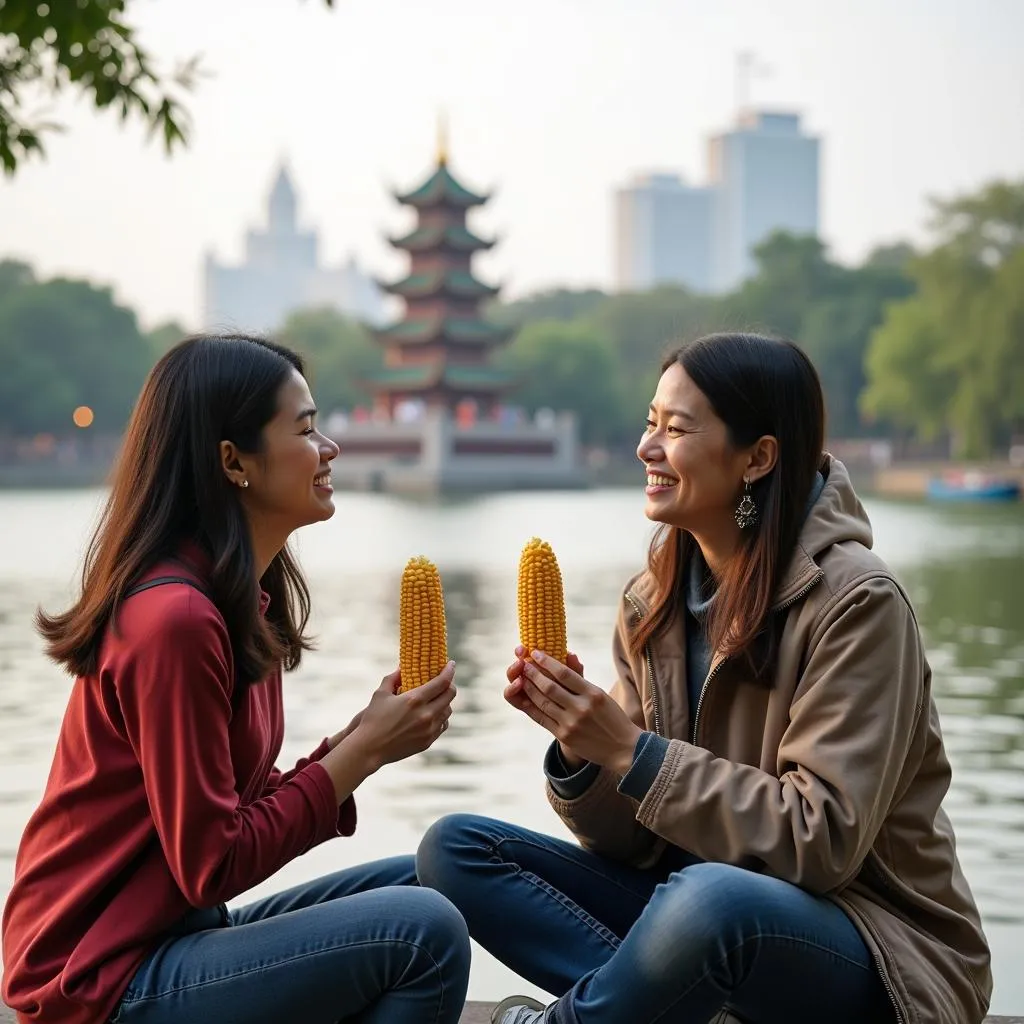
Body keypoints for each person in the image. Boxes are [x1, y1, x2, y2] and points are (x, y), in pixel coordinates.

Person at [417, 333, 992, 1024]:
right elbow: (634, 845)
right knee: (456, 851)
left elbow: (822, 843)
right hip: (700, 916)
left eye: (676, 428)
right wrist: (582, 751)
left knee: (709, 902)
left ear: (758, 458)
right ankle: (671, 1006)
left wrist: (632, 751)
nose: (646, 448)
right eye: (650, 422)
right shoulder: (650, 602)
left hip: (875, 947)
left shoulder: (857, 603)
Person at [2, 335, 469, 1024]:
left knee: (448, 878)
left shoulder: (238, 599)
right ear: (233, 461)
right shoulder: (174, 622)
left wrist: (361, 738)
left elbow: (229, 811)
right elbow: (211, 862)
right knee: (423, 932)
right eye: (307, 428)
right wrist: (361, 754)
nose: (331, 447)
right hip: (94, 977)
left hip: (173, 934)